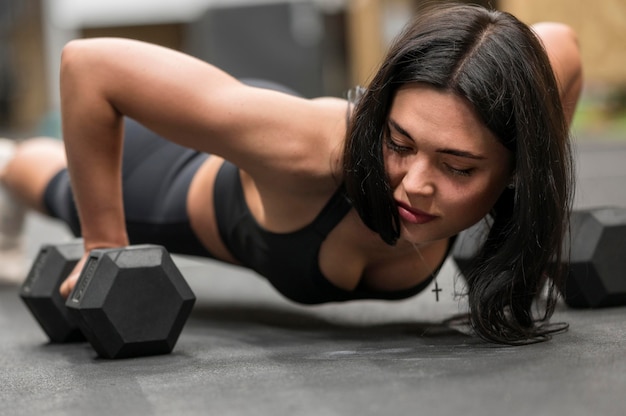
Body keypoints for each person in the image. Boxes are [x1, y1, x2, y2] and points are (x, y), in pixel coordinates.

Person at [0, 3, 582, 344]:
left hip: (264, 131)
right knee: (50, 185)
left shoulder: (509, 106)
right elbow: (88, 65)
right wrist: (105, 248)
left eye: (457, 167)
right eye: (399, 144)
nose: (414, 185)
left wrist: (525, 220)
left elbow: (563, 45)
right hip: (186, 180)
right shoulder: (311, 152)